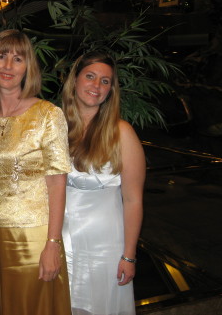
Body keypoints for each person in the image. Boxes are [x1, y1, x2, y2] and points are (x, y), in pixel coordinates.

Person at [0, 29, 72, 315]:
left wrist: (53, 244)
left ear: (28, 67)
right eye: (1, 56)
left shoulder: (47, 114)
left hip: (32, 238)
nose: (8, 66)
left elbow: (57, 184)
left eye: (18, 59)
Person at [61, 51, 146, 315]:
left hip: (105, 246)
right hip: (60, 242)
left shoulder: (122, 132)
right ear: (75, 80)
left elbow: (133, 200)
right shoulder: (54, 125)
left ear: (111, 90)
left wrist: (129, 255)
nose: (96, 86)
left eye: (105, 81)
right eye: (90, 76)